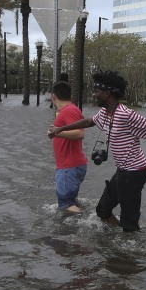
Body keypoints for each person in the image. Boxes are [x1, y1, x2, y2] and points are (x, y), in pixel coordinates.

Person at [48, 71, 146, 232]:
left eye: (96, 91)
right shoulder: (105, 113)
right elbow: (89, 121)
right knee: (102, 211)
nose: (93, 94)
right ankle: (121, 242)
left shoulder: (127, 115)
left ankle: (131, 243)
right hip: (122, 171)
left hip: (135, 172)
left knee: (129, 222)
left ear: (107, 93)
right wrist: (60, 129)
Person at [47, 81, 88, 213]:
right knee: (70, 202)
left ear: (53, 96)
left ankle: (93, 224)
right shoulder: (65, 111)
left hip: (69, 167)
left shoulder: (70, 110)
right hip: (68, 166)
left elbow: (80, 134)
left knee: (65, 205)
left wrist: (56, 132)